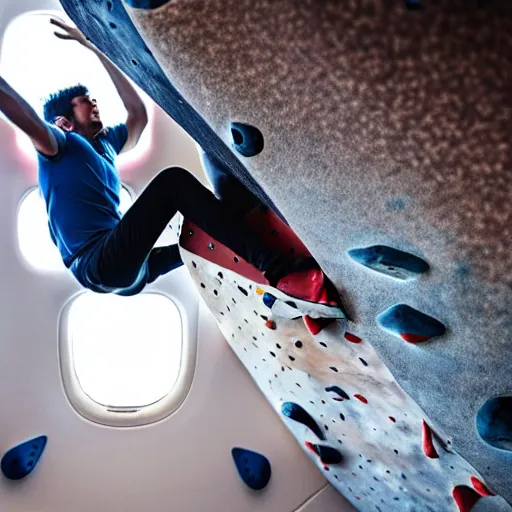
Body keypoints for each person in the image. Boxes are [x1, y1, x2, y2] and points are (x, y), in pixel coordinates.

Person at [0, 18, 318, 298]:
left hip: (135, 272)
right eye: (84, 101)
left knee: (204, 237)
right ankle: (283, 275)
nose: (93, 102)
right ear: (64, 121)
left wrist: (97, 49)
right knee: (173, 184)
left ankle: (289, 287)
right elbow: (19, 111)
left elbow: (137, 116)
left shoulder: (106, 145)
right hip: (98, 262)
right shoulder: (60, 146)